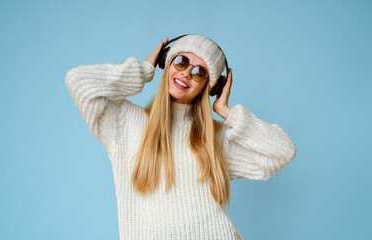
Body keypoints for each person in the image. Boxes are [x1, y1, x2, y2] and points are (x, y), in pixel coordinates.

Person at [65, 34, 297, 240]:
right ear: (167, 64)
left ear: (209, 87)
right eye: (181, 62)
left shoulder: (216, 139)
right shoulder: (124, 122)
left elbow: (284, 151)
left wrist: (227, 112)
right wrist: (143, 71)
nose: (186, 73)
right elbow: (78, 81)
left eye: (199, 72)